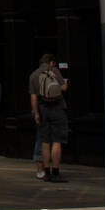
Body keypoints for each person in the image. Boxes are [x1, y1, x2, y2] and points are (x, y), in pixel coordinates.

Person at [28, 53, 69, 181]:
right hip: (57, 108)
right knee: (57, 141)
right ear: (51, 62)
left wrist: (36, 113)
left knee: (45, 141)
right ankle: (55, 172)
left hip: (42, 109)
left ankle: (46, 172)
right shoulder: (54, 70)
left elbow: (33, 97)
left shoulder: (34, 75)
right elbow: (63, 88)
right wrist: (65, 82)